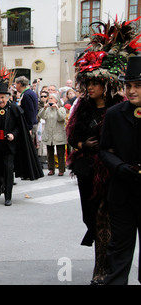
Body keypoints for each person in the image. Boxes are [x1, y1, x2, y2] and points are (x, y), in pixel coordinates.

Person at [66, 17, 134, 284]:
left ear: (106, 83)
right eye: (87, 82)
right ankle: (103, 258)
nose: (89, 87)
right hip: (87, 171)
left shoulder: (118, 107)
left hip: (112, 172)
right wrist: (83, 145)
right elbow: (72, 137)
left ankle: (102, 268)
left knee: (106, 219)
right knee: (90, 218)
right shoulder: (81, 107)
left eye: (94, 82)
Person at [100, 55, 141, 285]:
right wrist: (121, 167)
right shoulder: (115, 114)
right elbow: (104, 150)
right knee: (119, 251)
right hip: (122, 194)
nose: (131, 91)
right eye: (129, 86)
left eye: (137, 86)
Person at [0, 71, 44, 206]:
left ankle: (8, 197)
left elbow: (19, 127)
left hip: (9, 146)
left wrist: (13, 135)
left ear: (8, 97)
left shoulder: (15, 109)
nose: (0, 100)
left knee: (9, 169)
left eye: (3, 98)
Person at [38, 93, 67, 176]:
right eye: (49, 98)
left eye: (52, 98)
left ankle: (61, 169)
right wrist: (44, 108)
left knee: (60, 153)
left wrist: (57, 108)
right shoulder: (47, 109)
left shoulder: (61, 108)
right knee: (49, 153)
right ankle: (51, 169)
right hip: (49, 134)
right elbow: (41, 116)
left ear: (56, 100)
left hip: (58, 134)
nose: (50, 99)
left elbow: (62, 118)